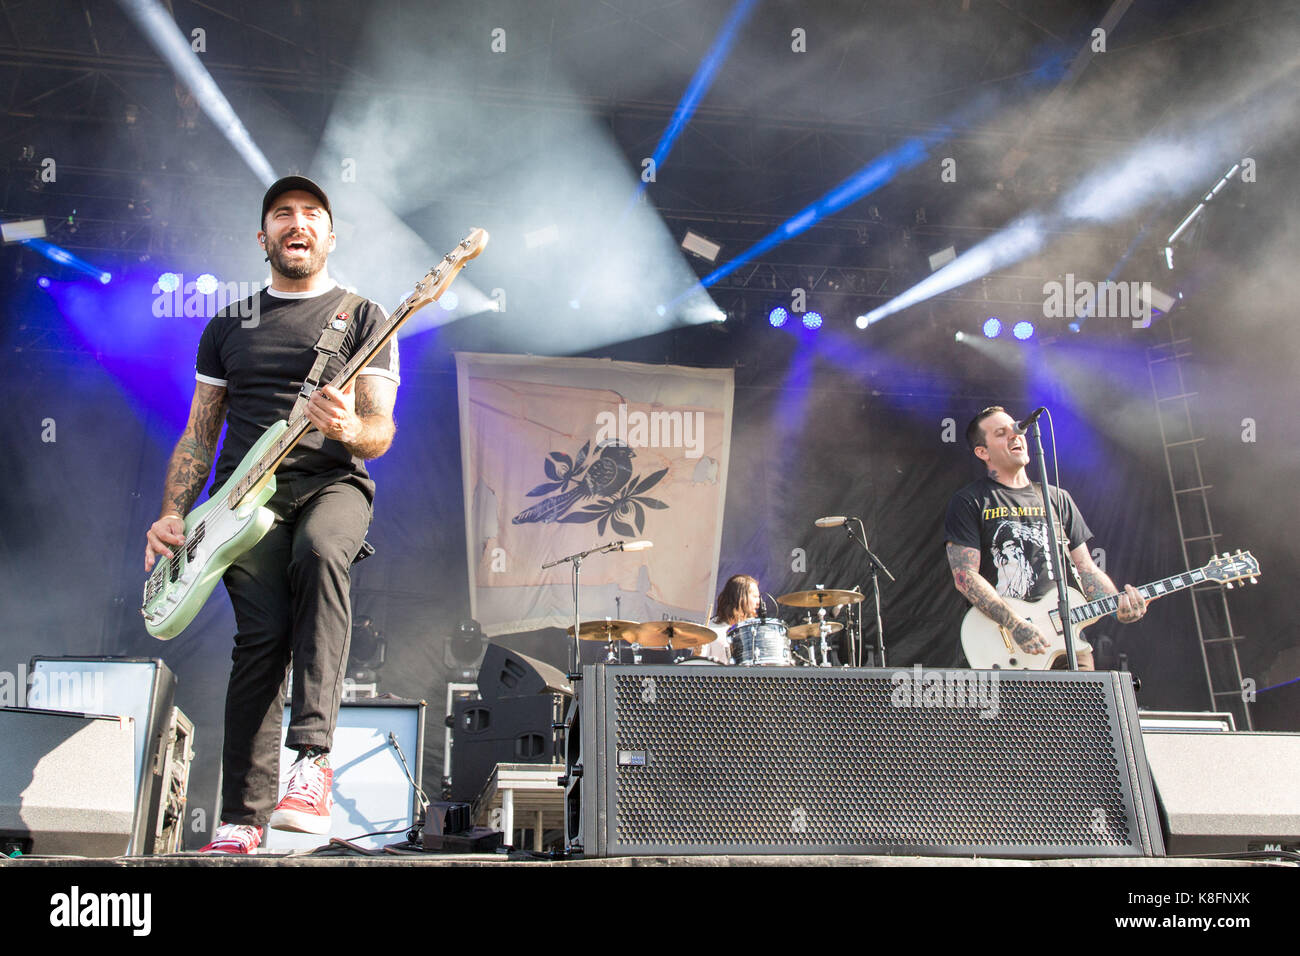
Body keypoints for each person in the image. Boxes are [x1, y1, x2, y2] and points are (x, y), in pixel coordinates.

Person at [144, 176, 399, 853]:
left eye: (312, 213)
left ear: (329, 235)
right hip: (239, 501)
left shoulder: (364, 316)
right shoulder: (230, 323)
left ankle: (311, 763)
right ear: (264, 237)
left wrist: (347, 427)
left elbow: (380, 432)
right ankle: (242, 818)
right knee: (260, 639)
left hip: (331, 483)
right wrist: (175, 512)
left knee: (320, 553)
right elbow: (201, 432)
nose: (298, 222)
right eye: (283, 213)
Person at [944, 406, 1147, 670]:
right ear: (983, 452)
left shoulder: (1056, 499)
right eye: (1001, 433)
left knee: (1087, 709)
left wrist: (1118, 606)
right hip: (1005, 642)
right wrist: (1015, 624)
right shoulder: (970, 501)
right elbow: (965, 577)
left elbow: (1085, 569)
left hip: (1069, 643)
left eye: (1017, 429)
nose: (1015, 435)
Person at [700, 574, 762, 663]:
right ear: (740, 597)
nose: (758, 602)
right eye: (755, 596)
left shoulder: (755, 630)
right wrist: (697, 653)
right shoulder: (710, 630)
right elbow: (696, 665)